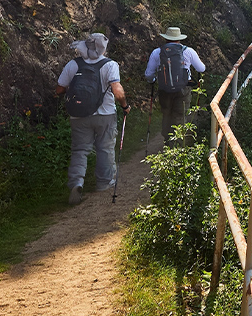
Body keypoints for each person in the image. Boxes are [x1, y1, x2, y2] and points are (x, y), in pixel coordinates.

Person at [55, 32, 127, 205]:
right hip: (105, 115)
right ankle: (104, 182)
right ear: (103, 48)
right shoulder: (110, 65)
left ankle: (76, 183)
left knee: (80, 150)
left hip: (78, 115)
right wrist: (125, 106)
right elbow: (117, 90)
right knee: (105, 148)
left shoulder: (73, 64)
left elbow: (59, 89)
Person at [142, 26, 206, 149]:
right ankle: (177, 146)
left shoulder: (157, 52)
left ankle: (167, 143)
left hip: (164, 89)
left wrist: (153, 80)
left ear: (166, 38)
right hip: (183, 90)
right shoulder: (188, 51)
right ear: (179, 39)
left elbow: (149, 74)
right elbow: (201, 68)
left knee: (166, 114)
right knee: (180, 115)